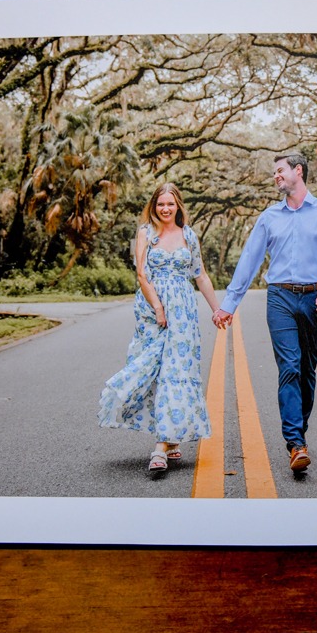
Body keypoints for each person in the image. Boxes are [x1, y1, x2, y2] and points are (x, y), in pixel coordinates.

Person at [214, 153, 317, 474]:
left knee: (307, 369)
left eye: (279, 171)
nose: (275, 177)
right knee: (289, 365)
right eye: (274, 172)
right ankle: (295, 443)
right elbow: (250, 259)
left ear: (297, 172)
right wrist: (229, 304)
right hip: (280, 298)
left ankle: (298, 429)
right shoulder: (269, 217)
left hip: (315, 297)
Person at [99, 182, 225, 474]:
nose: (165, 209)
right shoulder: (146, 233)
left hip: (183, 311)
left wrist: (216, 309)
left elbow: (201, 275)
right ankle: (168, 436)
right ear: (154, 207)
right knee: (154, 369)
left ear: (178, 206)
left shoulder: (189, 236)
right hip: (152, 309)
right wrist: (158, 307)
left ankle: (163, 444)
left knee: (177, 371)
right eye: (160, 204)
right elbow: (142, 274)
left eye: (170, 204)